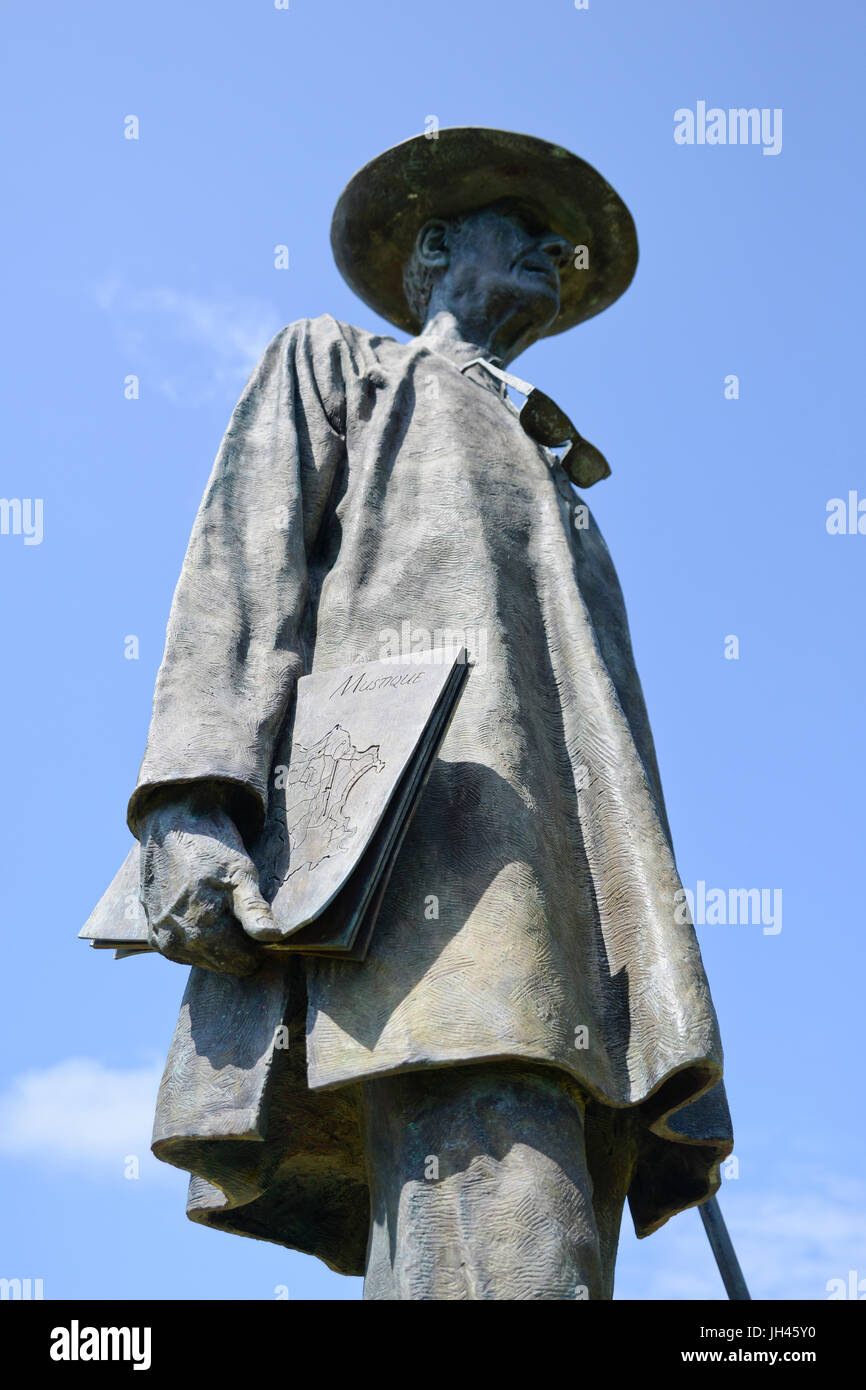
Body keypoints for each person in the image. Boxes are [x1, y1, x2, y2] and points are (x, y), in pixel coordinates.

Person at [129, 128, 733, 1299]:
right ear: (438, 248)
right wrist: (194, 804)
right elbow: (239, 586)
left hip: (588, 949)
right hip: (424, 907)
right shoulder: (343, 369)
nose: (557, 253)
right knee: (511, 1234)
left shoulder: (552, 466)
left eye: (567, 247)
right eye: (527, 225)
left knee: (534, 1240)